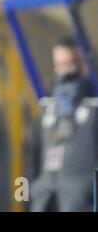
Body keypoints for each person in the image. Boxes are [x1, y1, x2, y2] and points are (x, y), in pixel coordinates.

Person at [30, 37, 96, 212]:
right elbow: (32, 158)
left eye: (73, 64)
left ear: (86, 65)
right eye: (60, 65)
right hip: (47, 201)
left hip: (82, 202)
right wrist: (27, 195)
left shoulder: (94, 109)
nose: (67, 72)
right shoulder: (47, 110)